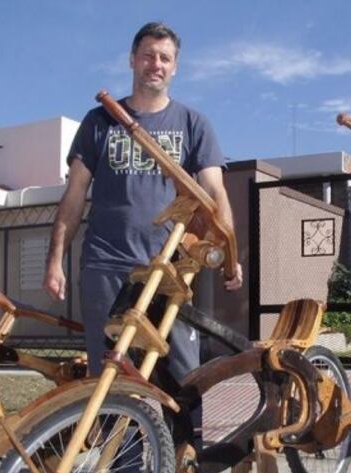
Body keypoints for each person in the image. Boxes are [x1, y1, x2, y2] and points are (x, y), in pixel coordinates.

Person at [43, 22, 242, 439]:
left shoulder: (193, 123)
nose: (156, 64)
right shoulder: (100, 121)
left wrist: (229, 252)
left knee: (183, 371)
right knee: (111, 372)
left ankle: (183, 471)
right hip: (105, 263)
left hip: (169, 267)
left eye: (164, 58)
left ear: (175, 68)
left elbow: (214, 191)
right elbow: (75, 194)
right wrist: (55, 258)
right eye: (149, 55)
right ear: (133, 60)